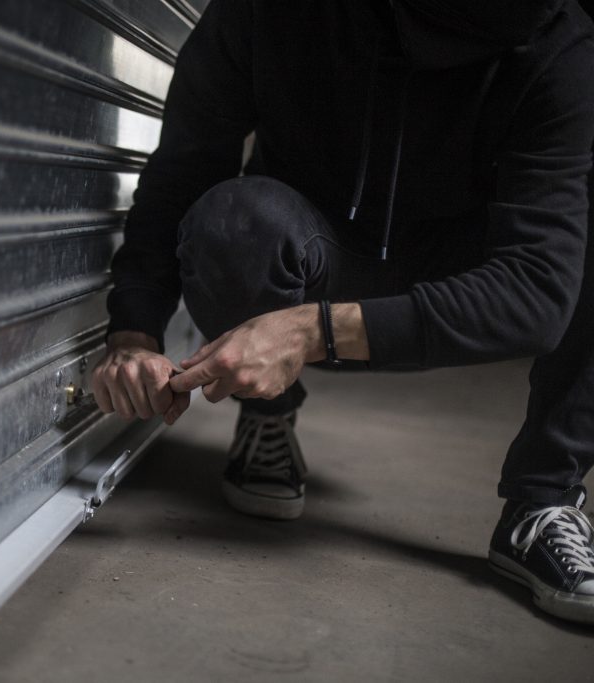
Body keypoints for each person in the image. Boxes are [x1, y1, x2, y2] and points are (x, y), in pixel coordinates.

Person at [91, 0, 594, 624]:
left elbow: (539, 291)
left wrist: (316, 331)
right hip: (310, 254)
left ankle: (541, 499)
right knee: (234, 221)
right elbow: (183, 172)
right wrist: (133, 333)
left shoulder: (558, 43)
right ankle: (267, 412)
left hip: (458, 278)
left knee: (578, 237)